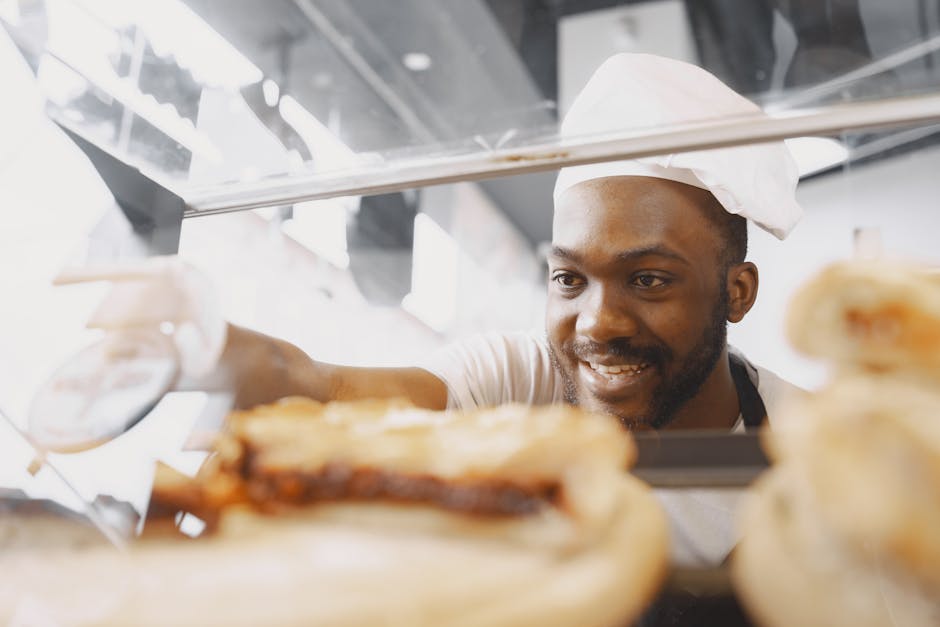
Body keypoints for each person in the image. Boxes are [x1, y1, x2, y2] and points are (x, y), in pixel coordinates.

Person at [71, 53, 804, 565]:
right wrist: (196, 344)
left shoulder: (818, 445)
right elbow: (315, 383)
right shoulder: (528, 377)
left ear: (736, 291)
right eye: (569, 279)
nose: (595, 324)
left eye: (648, 280)